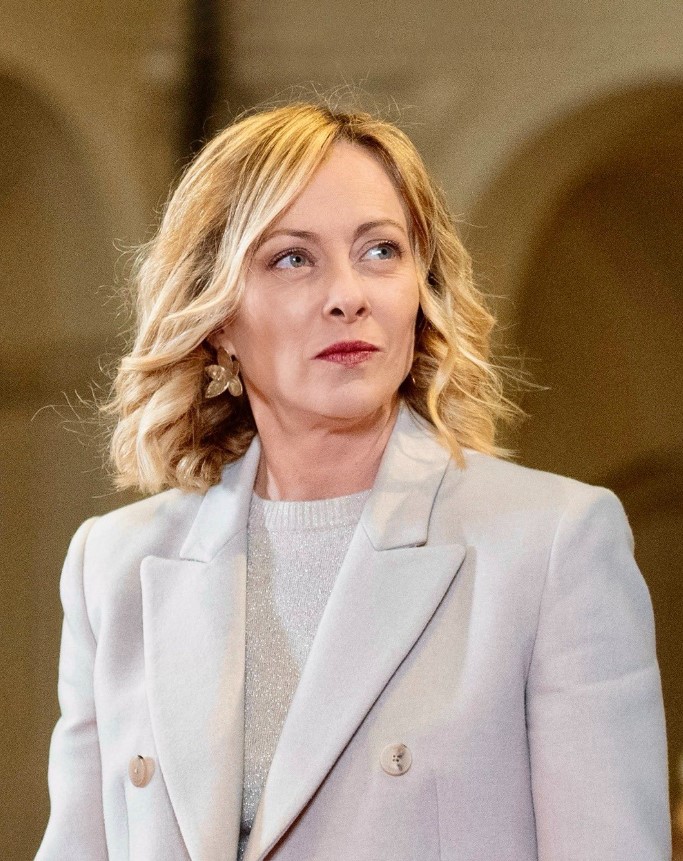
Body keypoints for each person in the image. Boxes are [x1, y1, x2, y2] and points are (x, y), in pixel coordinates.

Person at [36, 102, 670, 861]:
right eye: (292, 259)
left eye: (380, 251)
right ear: (218, 318)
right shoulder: (114, 566)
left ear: (420, 291)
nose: (348, 294)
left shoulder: (553, 544)